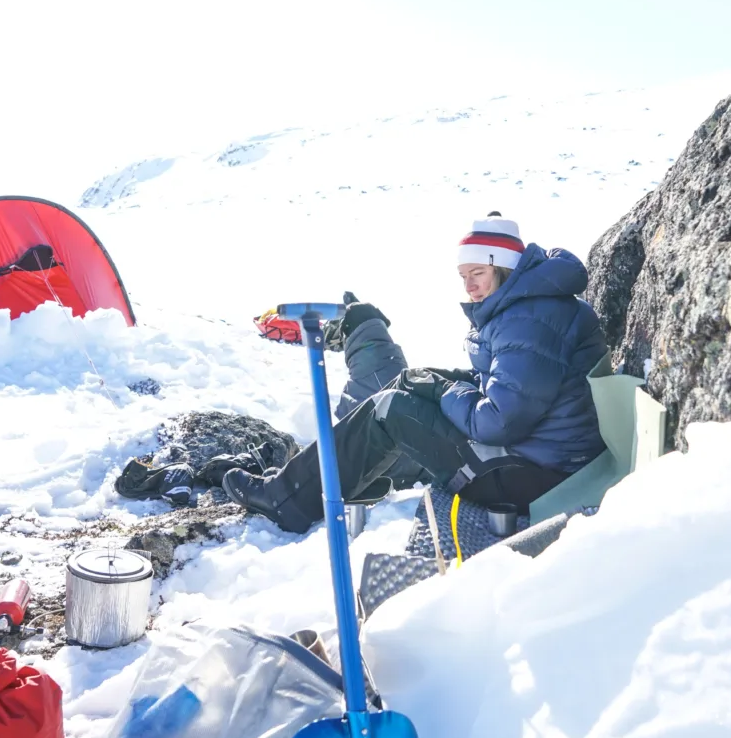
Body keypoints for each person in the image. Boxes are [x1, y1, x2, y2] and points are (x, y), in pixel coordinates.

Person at [222, 212, 609, 533]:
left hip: (533, 476)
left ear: (503, 267)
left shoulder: (528, 320)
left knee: (391, 409)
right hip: (542, 459)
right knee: (408, 387)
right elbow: (508, 386)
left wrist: (442, 391)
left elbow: (500, 422)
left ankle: (284, 502)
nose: (469, 286)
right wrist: (436, 379)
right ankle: (329, 479)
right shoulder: (530, 307)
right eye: (463, 276)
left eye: (478, 273)